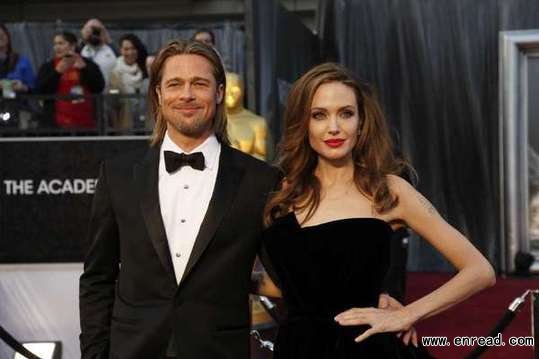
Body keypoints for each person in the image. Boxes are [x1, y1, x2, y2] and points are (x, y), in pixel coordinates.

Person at [256, 63, 496, 358]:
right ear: (303, 124)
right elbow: (297, 286)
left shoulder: (388, 189)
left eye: (346, 113)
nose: (334, 127)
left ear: (361, 122)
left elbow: (480, 270)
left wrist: (407, 314)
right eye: (319, 115)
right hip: (299, 347)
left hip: (367, 349)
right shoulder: (282, 193)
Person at [78, 39, 281, 359]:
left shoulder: (261, 180)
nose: (187, 94)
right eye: (175, 84)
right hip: (133, 351)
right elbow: (97, 279)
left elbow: (291, 275)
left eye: (199, 83)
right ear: (158, 95)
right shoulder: (117, 176)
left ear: (218, 92)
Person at [36, 31, 104, 129]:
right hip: (56, 124)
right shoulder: (48, 66)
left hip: (85, 123)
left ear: (72, 46)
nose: (57, 47)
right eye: (55, 44)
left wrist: (84, 69)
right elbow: (40, 91)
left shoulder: (88, 64)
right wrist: (57, 73)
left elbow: (99, 87)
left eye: (61, 43)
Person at [109, 33, 149, 130]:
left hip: (147, 126)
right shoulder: (115, 72)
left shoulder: (146, 69)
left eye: (133, 48)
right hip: (125, 125)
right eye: (126, 49)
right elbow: (112, 103)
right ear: (121, 50)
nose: (130, 52)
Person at [80, 18, 116, 90]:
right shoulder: (81, 50)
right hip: (87, 95)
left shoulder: (112, 50)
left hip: (108, 93)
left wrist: (106, 37)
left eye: (97, 30)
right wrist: (83, 38)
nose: (94, 33)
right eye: (91, 30)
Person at [0, 23, 36, 95]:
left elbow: (34, 88)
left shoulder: (22, 61)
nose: (0, 38)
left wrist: (23, 87)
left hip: (16, 103)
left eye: (2, 35)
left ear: (8, 37)